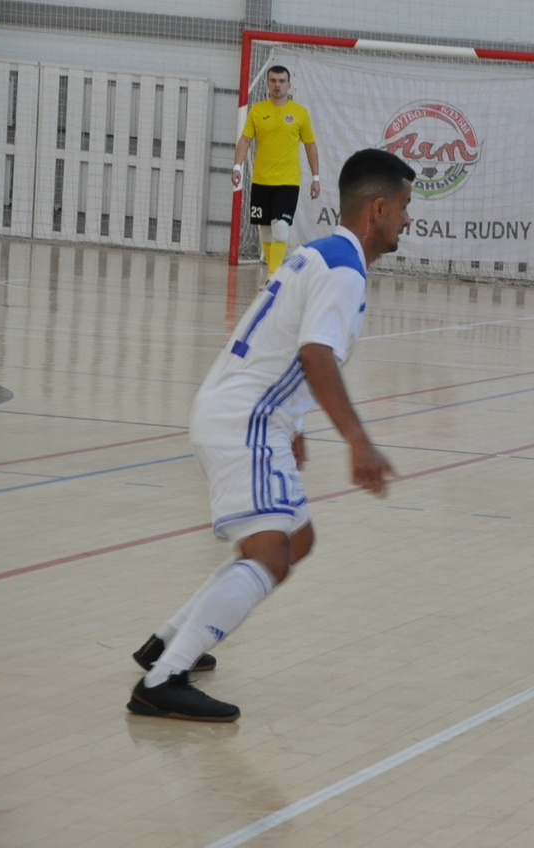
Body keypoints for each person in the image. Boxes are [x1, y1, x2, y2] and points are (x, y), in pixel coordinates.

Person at [128, 148, 416, 721]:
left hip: (245, 412)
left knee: (296, 538)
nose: (409, 220)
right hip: (247, 421)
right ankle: (162, 680)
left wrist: (296, 422)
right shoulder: (344, 269)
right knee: (271, 553)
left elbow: (281, 340)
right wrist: (358, 441)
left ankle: (169, 641)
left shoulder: (321, 252)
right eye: (405, 207)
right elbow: (315, 355)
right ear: (378, 209)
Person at [233, 65, 321, 278]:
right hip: (261, 180)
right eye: (273, 81)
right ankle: (272, 273)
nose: (277, 85)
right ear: (267, 83)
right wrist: (237, 167)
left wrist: (316, 178)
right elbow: (245, 140)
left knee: (280, 227)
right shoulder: (257, 110)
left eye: (281, 81)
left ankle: (273, 276)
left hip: (288, 182)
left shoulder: (300, 113)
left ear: (289, 84)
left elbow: (310, 145)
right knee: (265, 229)